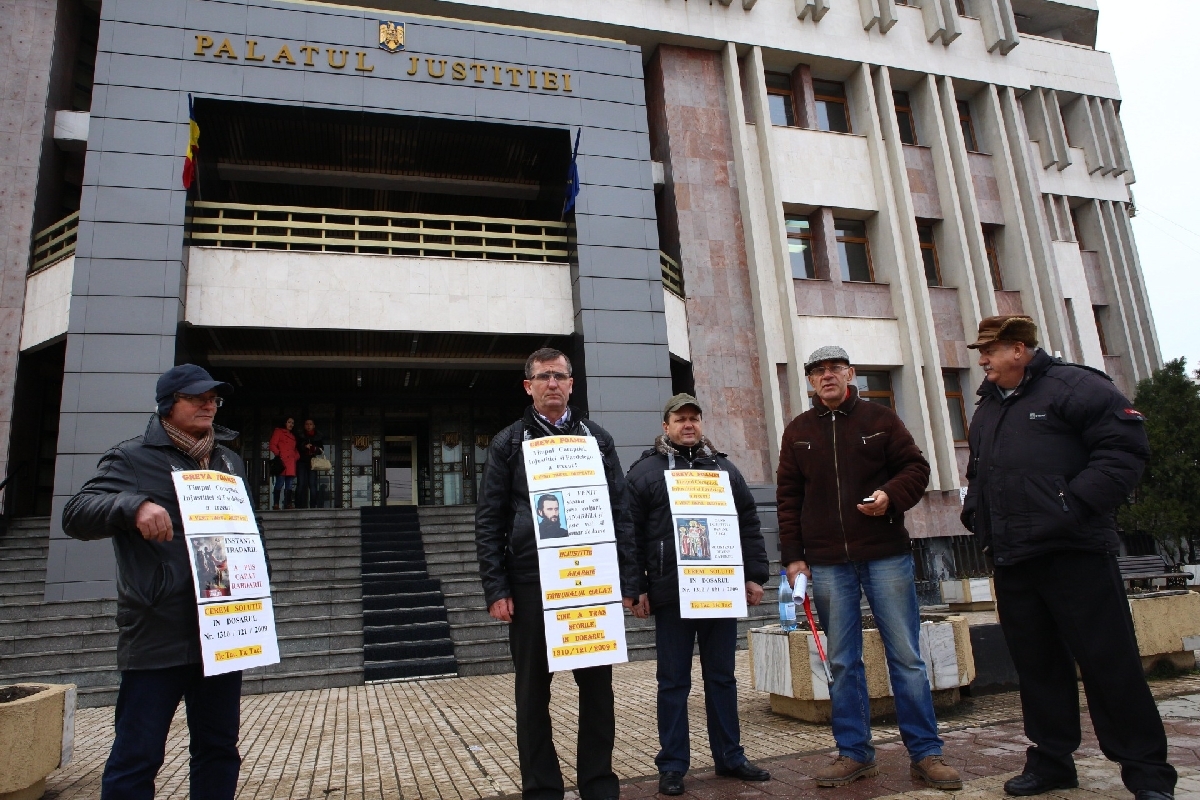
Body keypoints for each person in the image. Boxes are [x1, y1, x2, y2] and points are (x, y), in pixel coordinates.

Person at [961, 316, 1175, 800]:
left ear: (1019, 349)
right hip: (1014, 556)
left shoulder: (1076, 387)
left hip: (1075, 552)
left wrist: (1071, 506)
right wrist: (976, 512)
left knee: (1109, 663)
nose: (983, 360)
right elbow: (979, 471)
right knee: (1037, 667)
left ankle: (1147, 773)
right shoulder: (989, 405)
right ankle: (1052, 761)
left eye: (990, 350)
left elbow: (1124, 450)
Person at [777, 345, 962, 791]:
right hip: (827, 562)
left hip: (884, 554)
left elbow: (916, 467)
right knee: (843, 661)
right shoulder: (798, 430)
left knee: (907, 657)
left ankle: (926, 753)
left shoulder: (881, 419)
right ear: (810, 381)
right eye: (818, 371)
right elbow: (788, 497)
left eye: (834, 369)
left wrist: (890, 496)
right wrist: (794, 556)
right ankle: (855, 754)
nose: (827, 376)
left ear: (851, 374)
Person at [61, 364, 249, 800]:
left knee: (219, 749)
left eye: (214, 398)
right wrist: (132, 506)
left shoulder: (229, 460)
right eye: (197, 397)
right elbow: (76, 513)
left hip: (222, 627)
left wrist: (258, 582)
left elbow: (244, 531)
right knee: (137, 756)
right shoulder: (132, 457)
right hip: (158, 630)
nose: (209, 405)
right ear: (168, 405)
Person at [475, 347, 643, 800]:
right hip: (531, 582)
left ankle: (598, 784)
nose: (552, 383)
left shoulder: (597, 439)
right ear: (528, 386)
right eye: (543, 376)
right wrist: (496, 587)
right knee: (533, 694)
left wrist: (629, 580)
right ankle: (542, 789)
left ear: (571, 384)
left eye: (560, 376)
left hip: (590, 579)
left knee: (598, 690)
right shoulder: (509, 442)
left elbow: (621, 512)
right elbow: (489, 519)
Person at [625, 393, 772, 796]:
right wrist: (636, 587)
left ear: (701, 424)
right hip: (671, 594)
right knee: (673, 682)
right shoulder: (645, 473)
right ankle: (672, 765)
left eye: (694, 418)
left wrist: (754, 575)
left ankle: (730, 757)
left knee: (722, 678)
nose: (688, 425)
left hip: (719, 590)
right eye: (680, 419)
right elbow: (630, 534)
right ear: (666, 426)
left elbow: (748, 523)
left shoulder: (724, 470)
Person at [268, 417, 299, 510]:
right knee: (279, 483)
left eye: (292, 423)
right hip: (282, 462)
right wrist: (279, 454)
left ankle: (288, 504)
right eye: (289, 422)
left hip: (291, 463)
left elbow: (295, 449)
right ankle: (276, 504)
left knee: (289, 485)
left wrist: (296, 457)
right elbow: (272, 444)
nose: (291, 424)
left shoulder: (293, 435)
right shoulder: (278, 431)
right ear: (285, 423)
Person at [295, 419, 325, 509]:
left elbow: (321, 449)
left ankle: (313, 506)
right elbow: (296, 447)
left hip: (313, 462)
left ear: (313, 426)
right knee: (300, 483)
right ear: (304, 426)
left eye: (310, 424)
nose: (309, 426)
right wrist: (304, 446)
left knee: (312, 484)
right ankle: (298, 506)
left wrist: (314, 448)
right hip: (301, 461)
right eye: (307, 424)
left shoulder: (318, 436)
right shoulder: (300, 436)